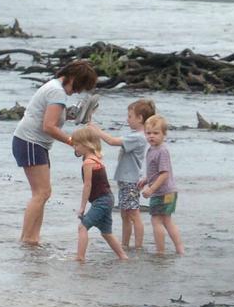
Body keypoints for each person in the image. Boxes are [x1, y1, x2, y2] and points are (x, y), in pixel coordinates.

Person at [12, 60, 98, 245]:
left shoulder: (55, 89)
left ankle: (33, 238)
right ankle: (26, 238)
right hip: (30, 141)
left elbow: (53, 116)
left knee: (43, 192)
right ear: (73, 78)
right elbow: (49, 126)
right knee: (41, 193)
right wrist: (73, 142)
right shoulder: (57, 91)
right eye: (80, 86)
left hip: (33, 143)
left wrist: (75, 115)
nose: (78, 91)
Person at [90, 99, 156, 249]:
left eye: (130, 116)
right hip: (126, 180)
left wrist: (96, 130)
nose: (127, 119)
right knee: (125, 214)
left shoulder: (138, 136)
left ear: (140, 118)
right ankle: (125, 244)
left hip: (130, 180)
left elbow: (112, 141)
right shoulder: (136, 135)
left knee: (133, 214)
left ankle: (138, 246)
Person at [70, 127, 127, 262]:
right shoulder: (96, 158)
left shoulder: (88, 162)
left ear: (86, 144)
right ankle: (123, 257)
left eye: (77, 145)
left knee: (83, 227)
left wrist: (82, 207)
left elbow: (87, 185)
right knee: (106, 233)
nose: (75, 148)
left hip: (101, 201)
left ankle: (80, 257)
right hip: (108, 199)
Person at [138, 114, 184, 255]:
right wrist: (146, 179)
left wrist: (151, 189)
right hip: (167, 191)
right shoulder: (152, 149)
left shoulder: (162, 151)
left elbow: (164, 174)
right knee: (166, 220)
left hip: (164, 192)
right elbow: (156, 171)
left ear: (164, 134)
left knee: (157, 220)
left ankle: (161, 251)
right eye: (148, 133)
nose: (151, 136)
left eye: (156, 133)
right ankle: (179, 249)